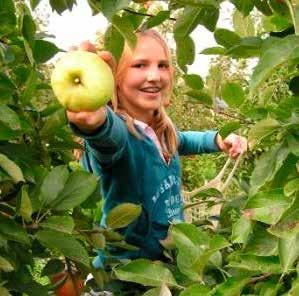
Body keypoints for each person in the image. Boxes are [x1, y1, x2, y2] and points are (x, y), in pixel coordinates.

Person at [66, 30, 247, 268]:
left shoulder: (161, 130)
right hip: (126, 274)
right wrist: (95, 121)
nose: (154, 75)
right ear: (115, 78)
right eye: (139, 65)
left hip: (168, 263)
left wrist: (218, 139)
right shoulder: (121, 136)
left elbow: (182, 141)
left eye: (162, 65)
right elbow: (107, 138)